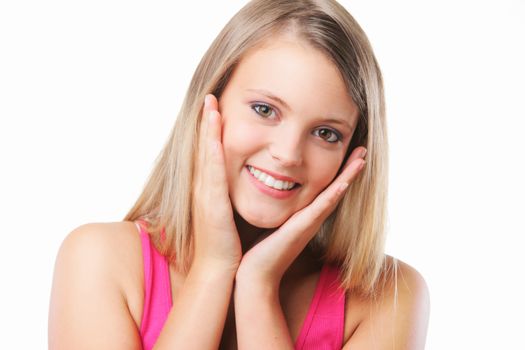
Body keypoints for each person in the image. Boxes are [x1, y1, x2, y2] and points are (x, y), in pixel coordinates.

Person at [48, 0, 430, 349]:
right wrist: (213, 269)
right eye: (265, 110)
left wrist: (258, 288)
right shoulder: (99, 259)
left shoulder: (388, 296)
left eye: (326, 133)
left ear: (352, 155)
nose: (287, 153)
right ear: (209, 104)